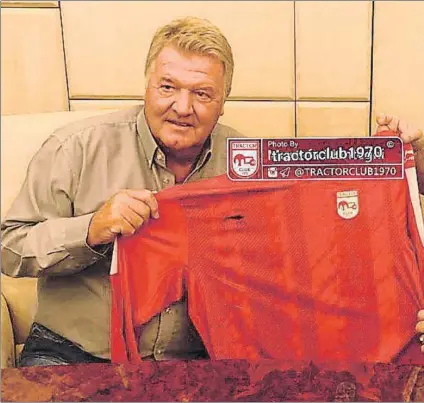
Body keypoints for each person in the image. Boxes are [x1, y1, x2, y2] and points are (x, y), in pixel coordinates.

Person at [1, 17, 423, 367]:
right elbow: (9, 247)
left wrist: (393, 162)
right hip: (72, 353)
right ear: (147, 84)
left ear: (224, 101)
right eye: (168, 87)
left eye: (202, 93)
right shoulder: (75, 148)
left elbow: (324, 230)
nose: (183, 107)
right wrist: (91, 229)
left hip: (200, 366)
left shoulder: (250, 168)